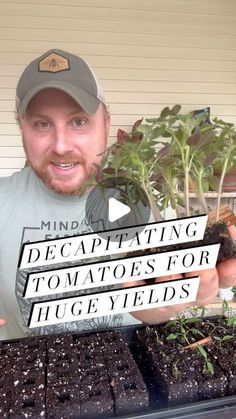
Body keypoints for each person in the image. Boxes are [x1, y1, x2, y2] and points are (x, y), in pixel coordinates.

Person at [0, 48, 236, 340]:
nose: (61, 145)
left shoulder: (150, 205)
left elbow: (186, 295)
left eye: (78, 121)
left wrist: (163, 310)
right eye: (42, 124)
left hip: (129, 378)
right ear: (21, 128)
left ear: (106, 124)